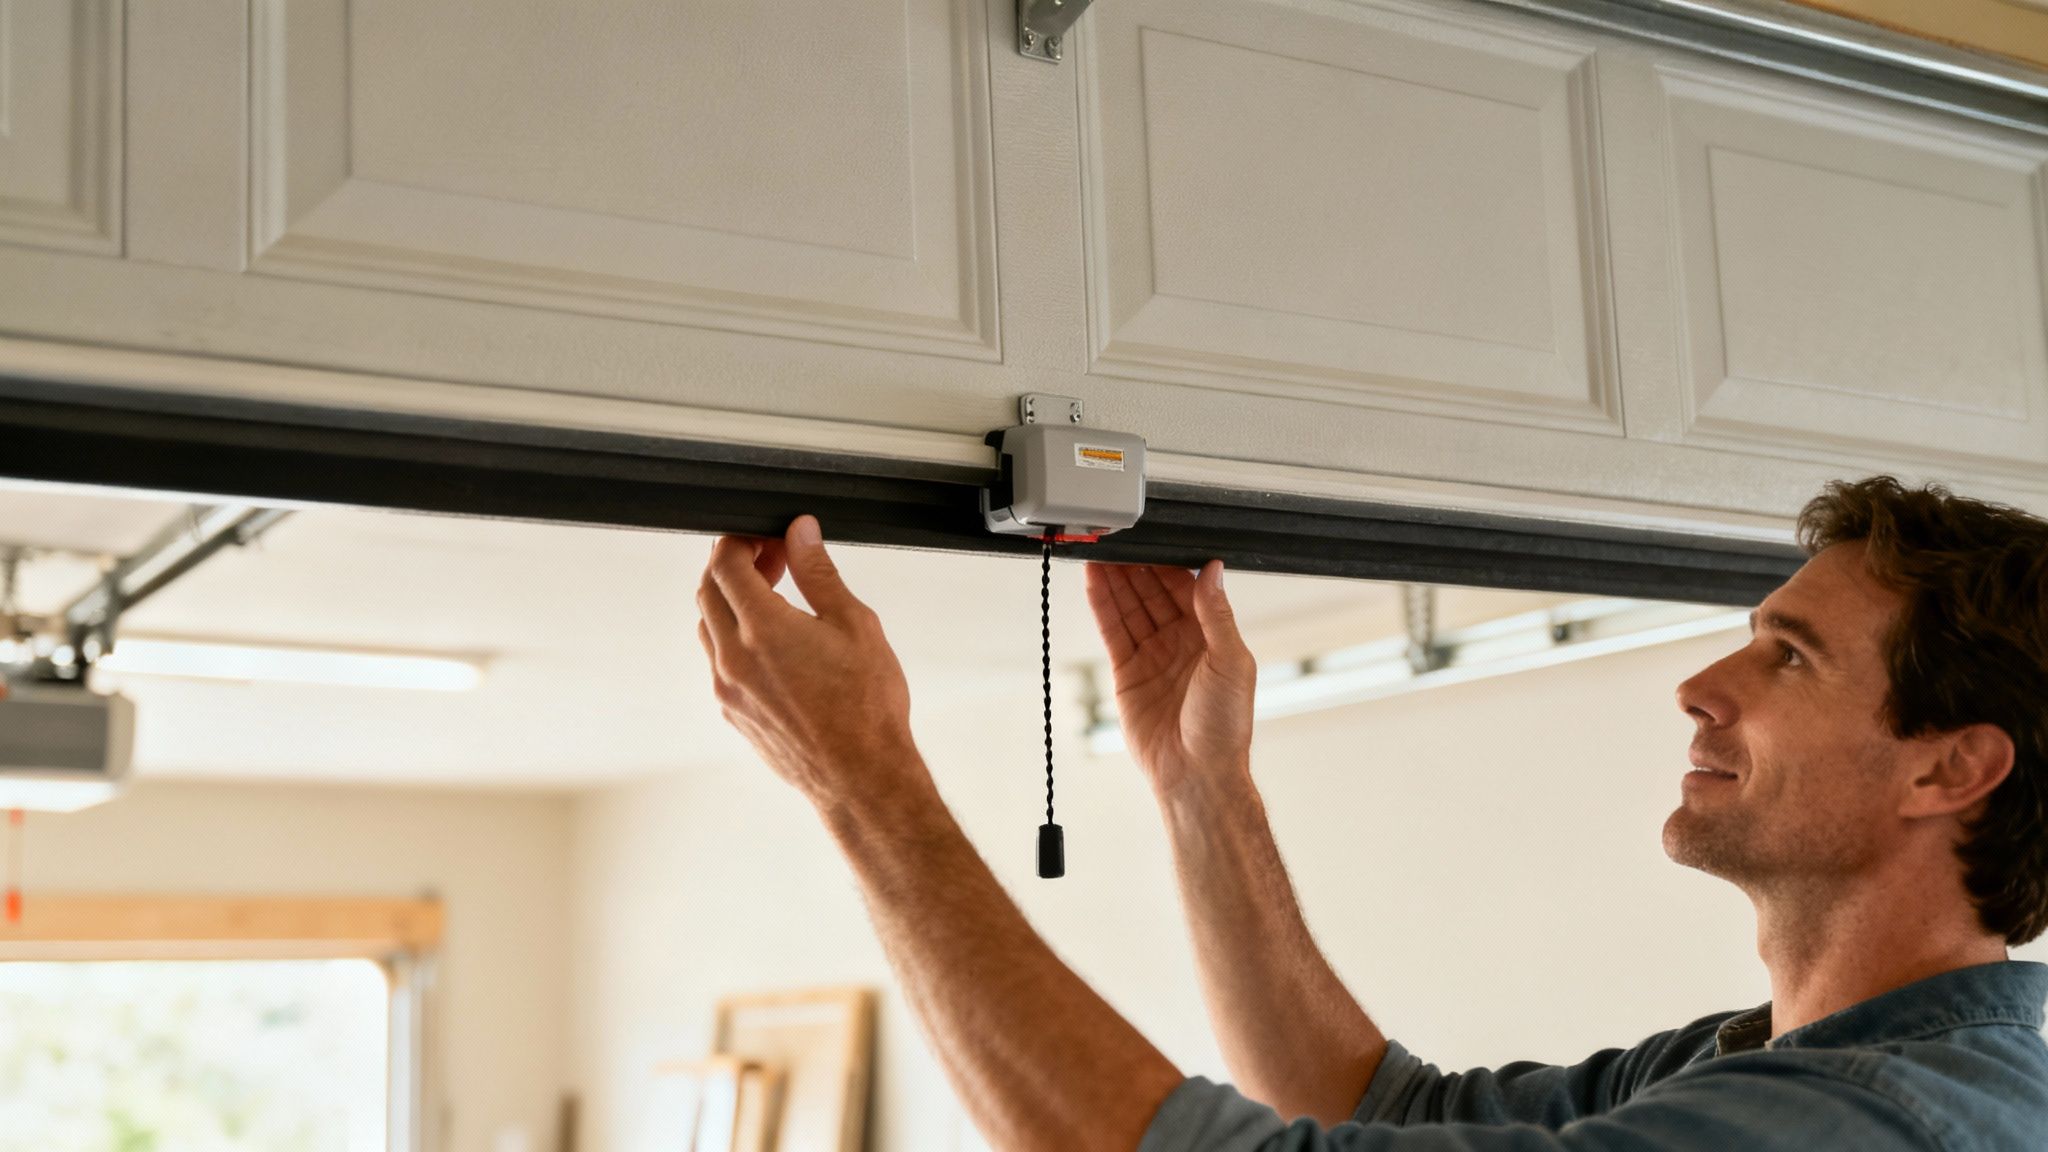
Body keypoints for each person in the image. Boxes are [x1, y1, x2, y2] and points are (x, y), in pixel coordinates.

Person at [693, 477, 2048, 1150]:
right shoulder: (1761, 1063)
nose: (1702, 685)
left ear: (1949, 771)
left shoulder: (1868, 1126)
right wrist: (1201, 785)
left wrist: (866, 784)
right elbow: (1374, 1106)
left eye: (1789, 658)